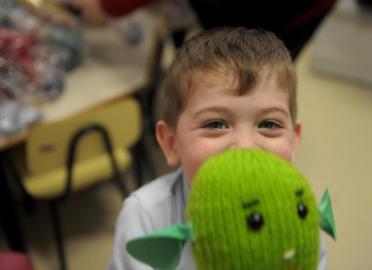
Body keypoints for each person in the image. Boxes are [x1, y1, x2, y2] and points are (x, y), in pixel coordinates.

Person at [109, 27, 327, 270]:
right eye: (215, 124)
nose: (245, 149)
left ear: (294, 142)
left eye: (268, 124)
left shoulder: (299, 210)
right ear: (171, 144)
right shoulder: (145, 217)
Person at [71, 0, 336, 59]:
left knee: (251, 73)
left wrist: (101, 7)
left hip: (281, 14)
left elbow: (104, 9)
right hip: (308, 9)